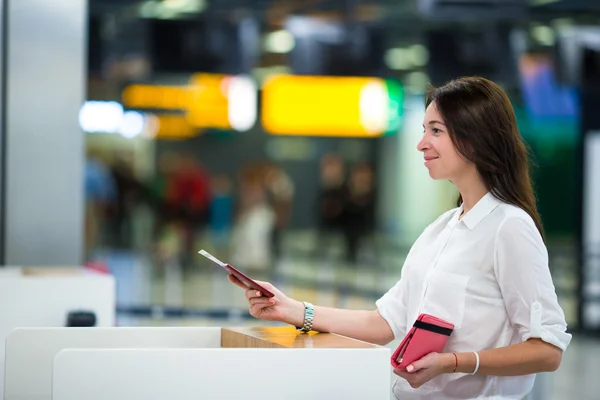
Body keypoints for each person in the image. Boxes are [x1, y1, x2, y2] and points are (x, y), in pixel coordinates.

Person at [227, 76, 572, 400]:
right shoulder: (441, 229)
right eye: (424, 130)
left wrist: (453, 362)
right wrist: (291, 309)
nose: (422, 143)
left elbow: (547, 350)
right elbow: (384, 322)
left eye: (435, 130)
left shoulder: (509, 227)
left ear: (474, 137)